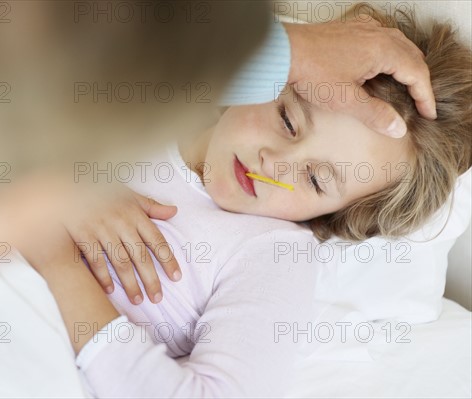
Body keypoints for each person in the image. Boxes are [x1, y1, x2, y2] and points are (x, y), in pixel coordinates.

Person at [23, 4, 471, 397]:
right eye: (287, 120)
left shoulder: (273, 252)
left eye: (315, 179)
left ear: (335, 215)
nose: (273, 162)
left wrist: (59, 263)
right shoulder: (145, 105)